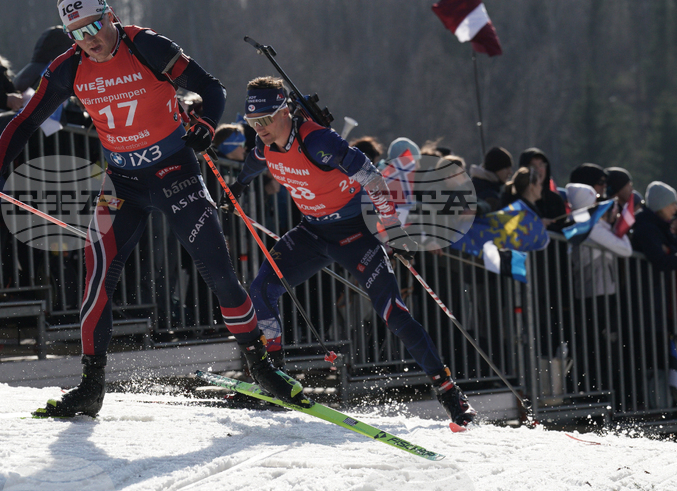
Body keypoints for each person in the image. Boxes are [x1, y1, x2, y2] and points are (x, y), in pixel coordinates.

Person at [0, 0, 299, 417]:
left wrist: (205, 123)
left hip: (174, 173)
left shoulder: (145, 45)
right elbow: (26, 120)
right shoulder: (68, 67)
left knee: (219, 272)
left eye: (94, 25)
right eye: (77, 33)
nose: (90, 39)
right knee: (97, 276)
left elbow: (211, 87)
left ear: (109, 14)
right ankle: (91, 386)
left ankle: (262, 368)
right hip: (122, 183)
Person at [227, 77, 476, 427]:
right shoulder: (264, 144)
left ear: (285, 111)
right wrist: (238, 186)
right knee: (261, 289)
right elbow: (255, 162)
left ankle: (450, 393)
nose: (261, 128)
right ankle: (274, 378)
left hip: (356, 235)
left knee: (393, 312)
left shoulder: (318, 141)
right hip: (312, 233)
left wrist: (392, 231)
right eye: (254, 122)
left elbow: (372, 178)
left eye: (266, 119)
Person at [518, 148, 567, 229]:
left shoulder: (556, 200)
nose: (538, 170)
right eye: (533, 166)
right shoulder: (514, 199)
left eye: (541, 165)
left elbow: (562, 228)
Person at [470, 146, 513, 215]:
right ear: (495, 168)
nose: (510, 172)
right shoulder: (488, 193)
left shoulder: (479, 184)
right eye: (506, 168)